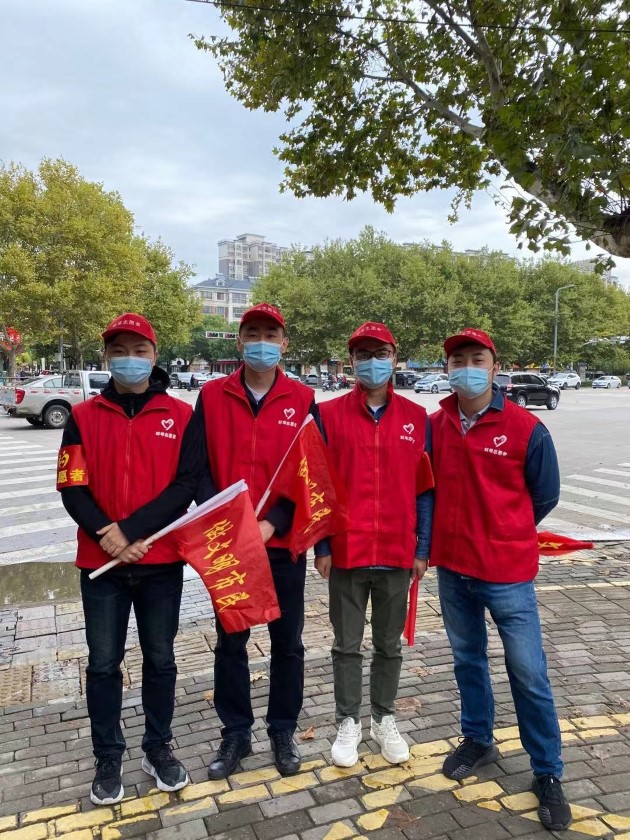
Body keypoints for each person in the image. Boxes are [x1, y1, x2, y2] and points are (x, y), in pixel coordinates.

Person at [58, 313, 207, 806]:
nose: (130, 358)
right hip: (100, 563)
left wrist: (133, 531)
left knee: (160, 659)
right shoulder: (82, 417)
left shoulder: (180, 415)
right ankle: (108, 756)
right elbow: (71, 487)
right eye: (119, 350)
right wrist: (109, 534)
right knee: (103, 663)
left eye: (139, 350)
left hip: (160, 561)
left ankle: (157, 747)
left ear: (154, 356)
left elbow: (186, 485)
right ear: (106, 357)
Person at [430, 328, 570, 832]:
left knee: (528, 673)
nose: (467, 368)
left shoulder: (527, 429)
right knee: (468, 660)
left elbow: (545, 495)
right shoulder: (434, 426)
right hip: (453, 568)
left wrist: (505, 531)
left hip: (507, 573)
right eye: (458, 360)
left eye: (477, 359)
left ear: (494, 366)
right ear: (448, 369)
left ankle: (547, 771)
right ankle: (478, 739)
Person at [195, 302, 320, 779]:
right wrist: (227, 521)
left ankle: (282, 730)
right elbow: (197, 468)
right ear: (240, 340)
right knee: (231, 642)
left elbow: (310, 472)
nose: (261, 342)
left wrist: (274, 523)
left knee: (287, 643)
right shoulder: (212, 396)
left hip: (281, 545)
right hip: (229, 545)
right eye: (253, 333)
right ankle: (235, 733)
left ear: (284, 343)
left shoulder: (303, 399)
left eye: (271, 334)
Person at [314, 322, 433, 767]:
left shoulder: (417, 419)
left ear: (395, 358)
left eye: (380, 353)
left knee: (389, 645)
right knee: (346, 645)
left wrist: (422, 548)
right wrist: (322, 546)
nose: (372, 362)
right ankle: (348, 720)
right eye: (363, 354)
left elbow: (425, 490)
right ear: (351, 362)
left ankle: (383, 718)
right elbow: (317, 487)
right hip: (347, 551)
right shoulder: (327, 415)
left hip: (398, 553)